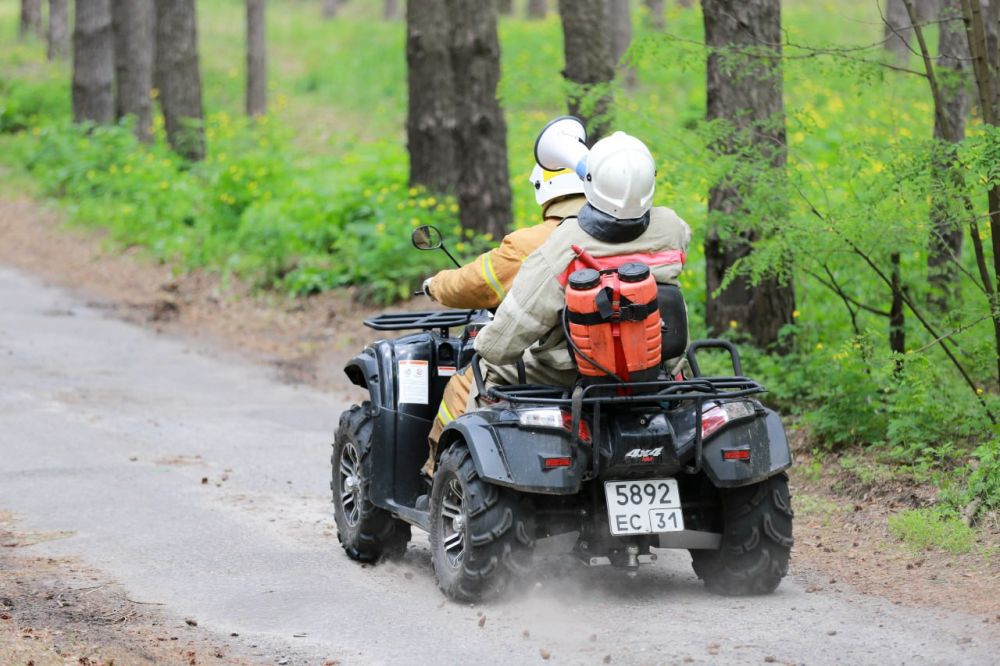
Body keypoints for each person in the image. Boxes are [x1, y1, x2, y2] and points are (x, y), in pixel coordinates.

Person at [469, 130, 691, 414]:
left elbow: (510, 334)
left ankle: (455, 450)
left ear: (589, 182)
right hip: (657, 366)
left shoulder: (564, 244)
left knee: (488, 370)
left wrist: (485, 345)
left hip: (574, 373)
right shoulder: (672, 227)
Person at [422, 166, 586, 475]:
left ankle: (442, 475)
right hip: (620, 368)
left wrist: (436, 284)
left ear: (544, 190)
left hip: (557, 366)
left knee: (466, 382)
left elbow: (476, 283)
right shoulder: (626, 233)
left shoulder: (533, 242)